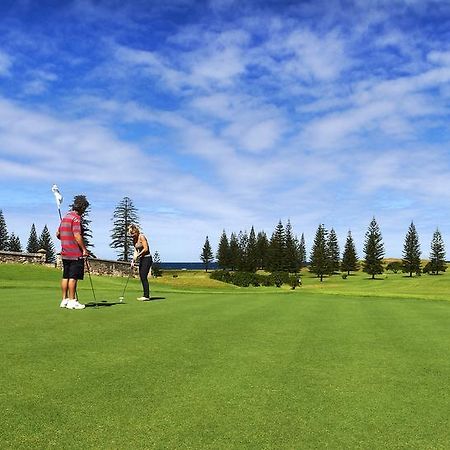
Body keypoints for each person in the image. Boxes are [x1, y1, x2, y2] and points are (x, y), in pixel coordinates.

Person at [56, 195, 90, 310]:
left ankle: (64, 300)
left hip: (65, 252)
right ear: (82, 208)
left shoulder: (66, 217)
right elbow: (77, 235)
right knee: (73, 277)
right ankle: (72, 301)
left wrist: (66, 239)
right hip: (74, 252)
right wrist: (84, 249)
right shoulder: (76, 218)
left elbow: (58, 234)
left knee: (65, 276)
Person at [128, 224, 153, 300]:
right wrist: (133, 260)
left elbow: (146, 249)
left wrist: (138, 255)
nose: (132, 235)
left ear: (136, 231)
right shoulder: (134, 239)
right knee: (142, 276)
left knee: (143, 276)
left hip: (147, 258)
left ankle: (146, 296)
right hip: (142, 258)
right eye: (131, 234)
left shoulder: (141, 237)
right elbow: (136, 250)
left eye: (133, 233)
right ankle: (146, 295)